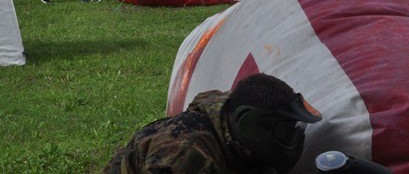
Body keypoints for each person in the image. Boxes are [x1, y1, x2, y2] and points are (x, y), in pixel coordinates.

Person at [104, 73, 322, 174]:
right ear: (248, 124)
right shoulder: (188, 155)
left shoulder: (229, 122)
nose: (292, 137)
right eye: (284, 131)